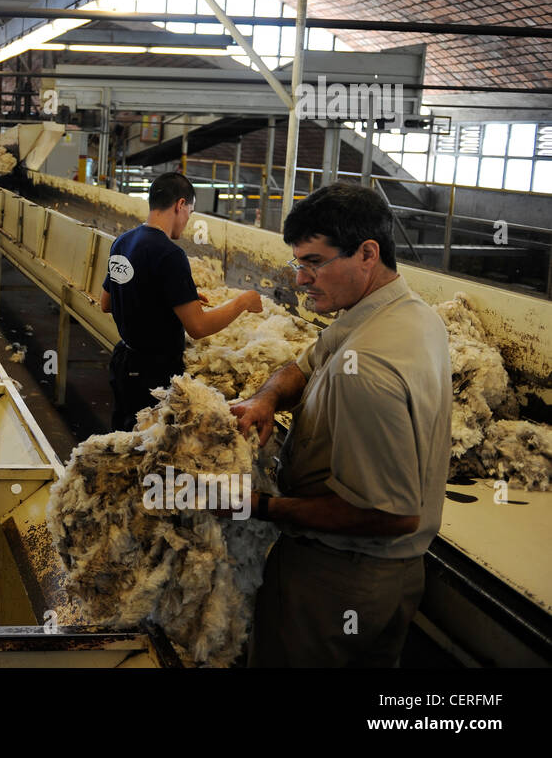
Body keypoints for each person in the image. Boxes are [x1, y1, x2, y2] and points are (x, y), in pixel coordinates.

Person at [232, 182, 451, 667]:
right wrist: (265, 399)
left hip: (340, 579)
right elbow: (307, 364)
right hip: (375, 575)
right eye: (297, 264)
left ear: (367, 253)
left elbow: (390, 515)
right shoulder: (402, 314)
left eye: (314, 262)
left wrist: (261, 506)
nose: (301, 279)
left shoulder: (369, 364)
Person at [100, 171, 262, 431]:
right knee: (150, 449)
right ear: (180, 205)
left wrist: (173, 297)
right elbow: (198, 328)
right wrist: (242, 302)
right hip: (153, 375)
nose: (188, 220)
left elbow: (107, 303)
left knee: (122, 439)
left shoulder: (123, 242)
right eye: (190, 212)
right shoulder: (170, 254)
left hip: (123, 363)